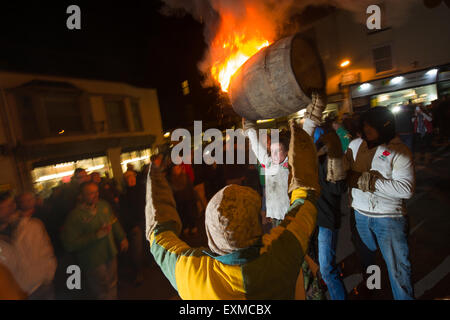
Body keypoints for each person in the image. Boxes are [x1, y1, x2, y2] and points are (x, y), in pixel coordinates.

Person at [145, 120, 320, 299]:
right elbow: (305, 199)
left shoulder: (191, 274)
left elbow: (158, 234)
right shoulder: (284, 250)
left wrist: (155, 175)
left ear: (210, 233)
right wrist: (300, 138)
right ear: (256, 222)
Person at [346, 106, 415, 300]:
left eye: (371, 126)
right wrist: (337, 164)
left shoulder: (399, 151)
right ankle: (374, 292)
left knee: (397, 269)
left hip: (389, 218)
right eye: (365, 126)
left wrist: (371, 182)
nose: (367, 130)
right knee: (370, 263)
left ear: (384, 126)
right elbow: (346, 169)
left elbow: (406, 188)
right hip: (360, 215)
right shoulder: (356, 145)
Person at [61, 182, 128, 299]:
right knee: (101, 290)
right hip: (93, 260)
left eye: (96, 192)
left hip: (110, 252)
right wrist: (95, 235)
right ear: (80, 196)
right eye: (91, 193)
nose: (96, 195)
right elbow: (69, 244)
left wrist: (121, 237)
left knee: (112, 284)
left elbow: (113, 221)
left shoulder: (103, 206)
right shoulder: (75, 216)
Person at [0, 191, 57, 299]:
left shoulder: (32, 226)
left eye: (11, 205)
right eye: (4, 207)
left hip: (43, 285)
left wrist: (48, 274)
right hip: (16, 294)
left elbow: (46, 250)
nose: (11, 208)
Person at [314, 123, 348, 300]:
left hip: (327, 220)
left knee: (327, 269)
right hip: (315, 220)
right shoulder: (313, 161)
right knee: (323, 266)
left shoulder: (332, 161)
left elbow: (339, 189)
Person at [120, 170, 146, 286]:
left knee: (147, 245)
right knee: (137, 249)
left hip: (146, 221)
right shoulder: (124, 195)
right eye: (128, 177)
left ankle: (148, 265)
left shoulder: (142, 189)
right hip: (135, 225)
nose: (131, 178)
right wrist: (132, 225)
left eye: (132, 176)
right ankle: (138, 272)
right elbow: (124, 213)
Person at [167, 164, 199, 236]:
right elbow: (172, 190)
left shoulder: (185, 176)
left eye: (178, 167)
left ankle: (193, 227)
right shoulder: (171, 180)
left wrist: (194, 197)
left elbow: (190, 187)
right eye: (176, 168)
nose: (178, 169)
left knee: (190, 213)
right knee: (182, 215)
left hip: (188, 199)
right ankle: (185, 228)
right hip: (179, 201)